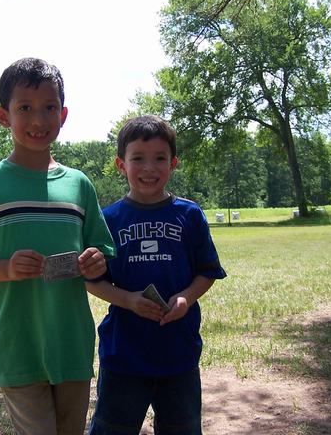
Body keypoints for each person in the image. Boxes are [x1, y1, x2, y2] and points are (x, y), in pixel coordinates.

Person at [0, 57, 116, 435]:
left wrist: (94, 261)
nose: (38, 120)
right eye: (25, 108)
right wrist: (5, 268)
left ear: (64, 114)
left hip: (71, 343)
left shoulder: (78, 185)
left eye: (49, 107)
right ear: (3, 115)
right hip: (17, 345)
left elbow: (101, 253)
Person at [86, 115, 227, 435]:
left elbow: (207, 271)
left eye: (159, 158)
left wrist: (185, 298)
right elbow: (93, 281)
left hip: (178, 353)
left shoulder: (189, 215)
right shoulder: (108, 219)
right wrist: (129, 300)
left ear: (173, 163)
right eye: (138, 158)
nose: (149, 168)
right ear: (121, 164)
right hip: (124, 353)